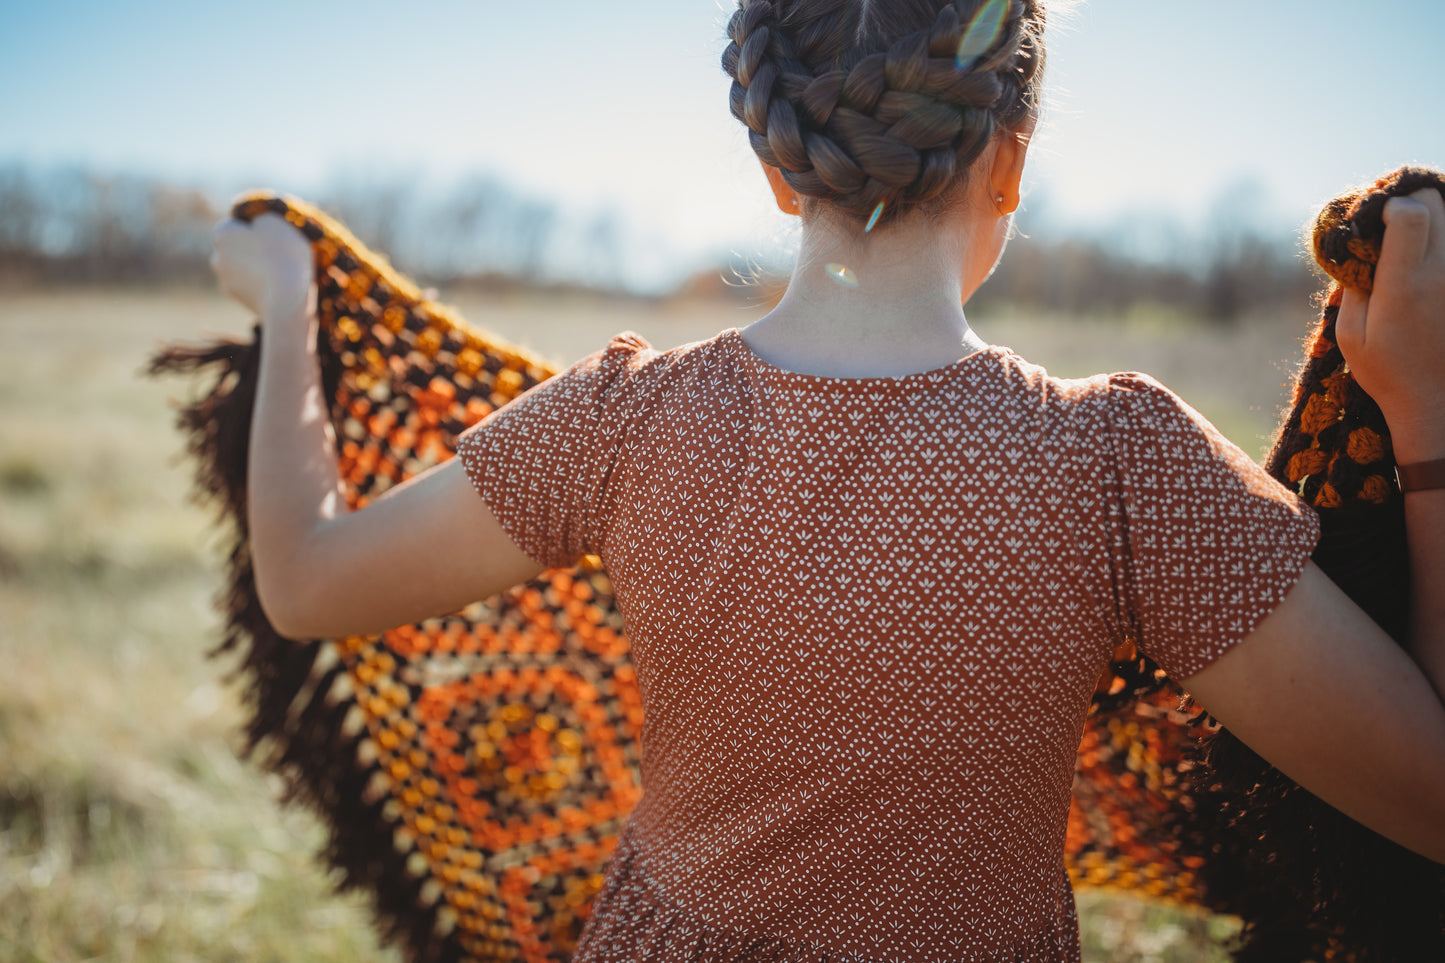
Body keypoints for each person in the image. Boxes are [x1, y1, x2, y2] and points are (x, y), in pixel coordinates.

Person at [209, 1, 1445, 959]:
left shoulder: (621, 422)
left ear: (777, 168)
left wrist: (287, 305)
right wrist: (1422, 411)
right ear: (1008, 159)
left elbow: (308, 580)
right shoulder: (1123, 470)